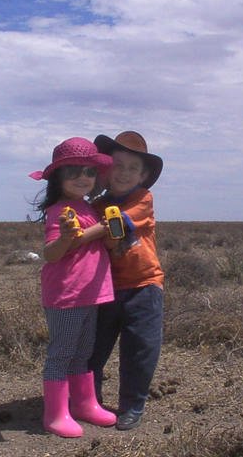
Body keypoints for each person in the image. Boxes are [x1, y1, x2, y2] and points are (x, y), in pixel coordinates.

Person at [29, 137, 117, 438]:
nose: (83, 177)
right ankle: (55, 414)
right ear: (58, 178)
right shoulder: (59, 210)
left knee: (83, 352)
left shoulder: (87, 207)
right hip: (66, 295)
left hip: (89, 293)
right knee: (62, 353)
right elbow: (51, 253)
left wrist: (110, 233)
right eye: (74, 172)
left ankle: (83, 404)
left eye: (90, 172)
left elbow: (94, 243)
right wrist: (80, 234)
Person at [89, 130, 165, 430]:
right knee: (92, 349)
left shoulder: (142, 198)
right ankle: (89, 399)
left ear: (143, 175)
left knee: (140, 349)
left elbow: (119, 222)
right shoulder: (94, 206)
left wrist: (89, 228)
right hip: (105, 288)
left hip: (144, 286)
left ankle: (132, 404)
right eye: (117, 165)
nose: (124, 173)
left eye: (132, 168)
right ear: (106, 167)